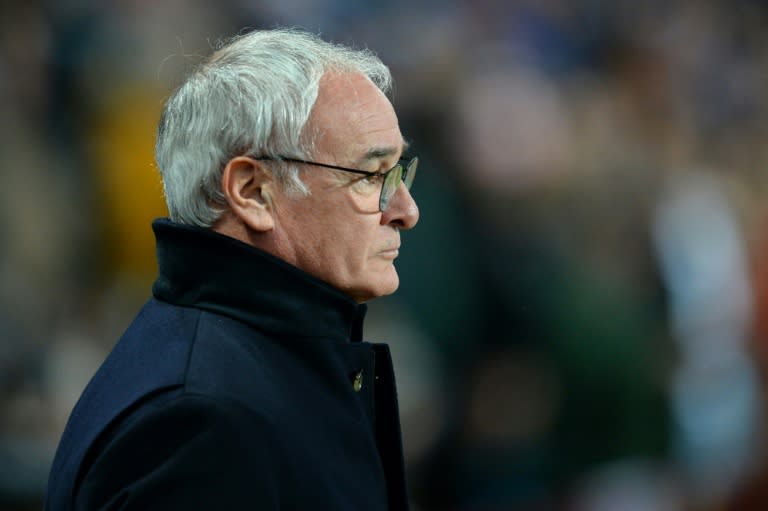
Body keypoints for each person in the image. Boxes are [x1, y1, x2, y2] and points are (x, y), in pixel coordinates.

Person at [45, 28, 419, 510]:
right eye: (371, 176)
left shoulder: (239, 375)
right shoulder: (200, 419)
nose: (407, 210)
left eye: (399, 172)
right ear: (252, 191)